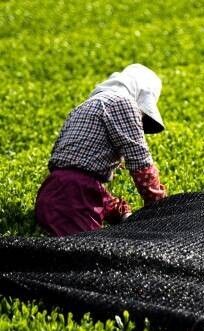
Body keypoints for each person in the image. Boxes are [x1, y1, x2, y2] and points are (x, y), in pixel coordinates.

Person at [35, 64, 168, 237]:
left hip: (50, 193)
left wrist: (121, 213)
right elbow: (141, 163)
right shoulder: (123, 103)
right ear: (142, 97)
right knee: (87, 256)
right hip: (73, 198)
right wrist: (160, 207)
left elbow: (78, 175)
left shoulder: (83, 107)